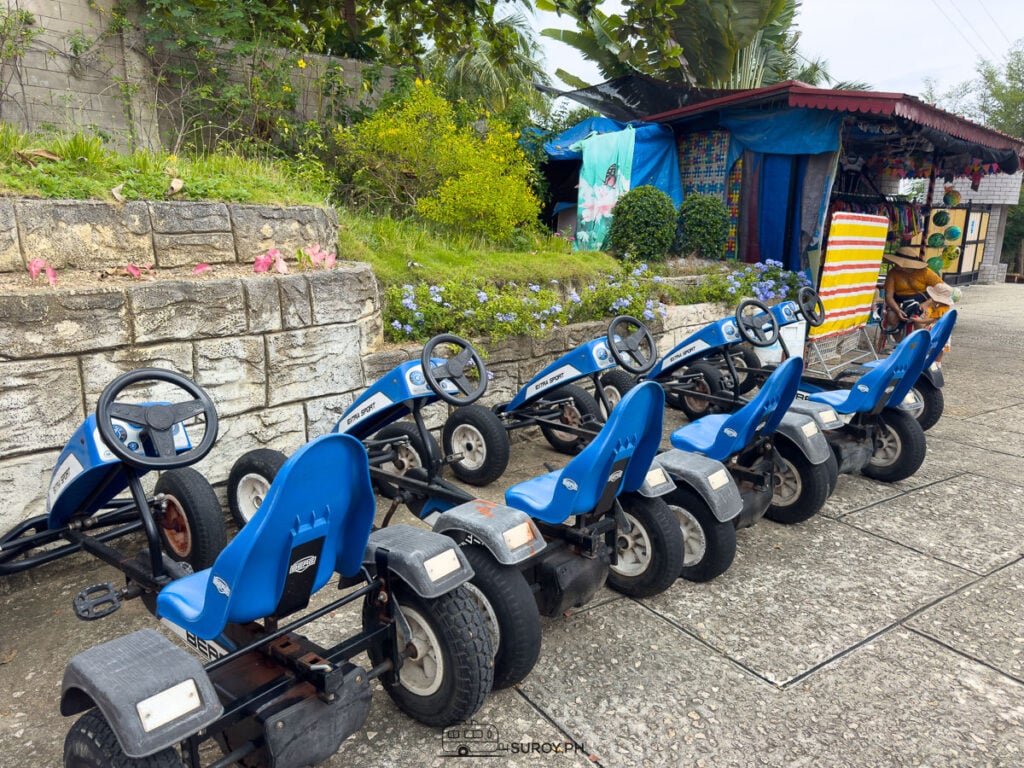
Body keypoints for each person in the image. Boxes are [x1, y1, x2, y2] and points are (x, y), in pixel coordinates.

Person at [882, 245, 943, 330]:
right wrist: (897, 310)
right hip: (900, 303)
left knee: (920, 323)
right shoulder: (892, 273)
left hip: (923, 303)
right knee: (891, 319)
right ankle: (902, 343)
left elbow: (942, 290)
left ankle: (920, 342)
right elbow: (889, 296)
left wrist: (926, 304)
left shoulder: (925, 272)